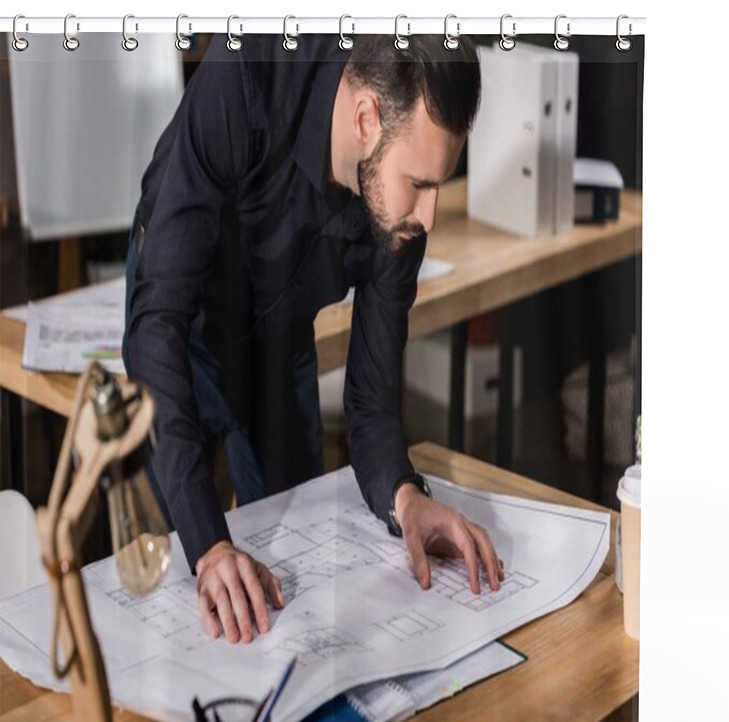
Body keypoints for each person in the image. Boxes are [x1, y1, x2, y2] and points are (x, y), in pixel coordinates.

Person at [123, 32, 504, 646]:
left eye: (440, 184)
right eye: (419, 184)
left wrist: (406, 499)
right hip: (180, 327)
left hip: (279, 338)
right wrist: (212, 546)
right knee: (198, 592)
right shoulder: (247, 70)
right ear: (364, 118)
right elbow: (156, 323)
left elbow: (372, 399)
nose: (430, 217)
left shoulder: (402, 215)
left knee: (292, 570)